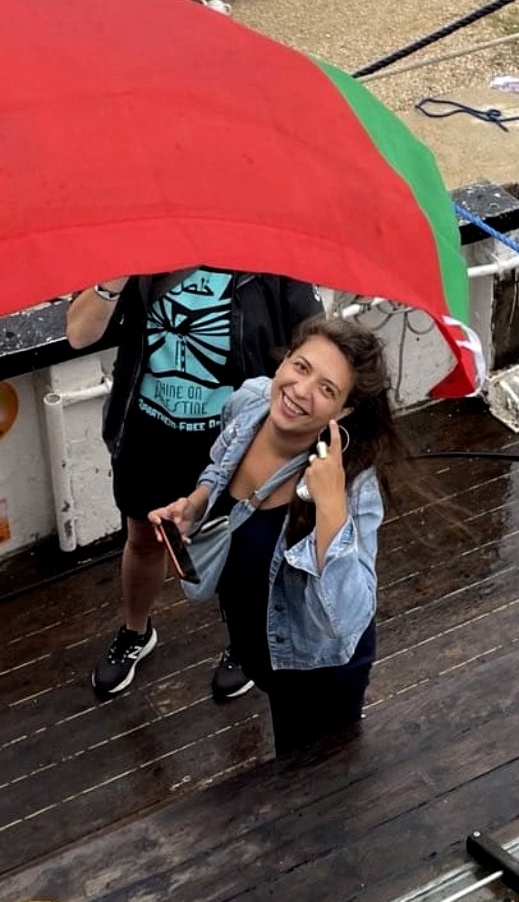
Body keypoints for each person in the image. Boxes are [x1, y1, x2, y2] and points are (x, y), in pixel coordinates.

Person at [148, 315, 398, 756]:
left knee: (305, 781)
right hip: (253, 640)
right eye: (301, 368)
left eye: (327, 389)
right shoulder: (248, 402)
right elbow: (221, 464)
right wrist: (199, 501)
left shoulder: (354, 486)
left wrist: (332, 509)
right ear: (284, 362)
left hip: (314, 671)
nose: (301, 391)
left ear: (342, 412)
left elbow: (349, 621)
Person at [67, 269, 321, 699]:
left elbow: (312, 344)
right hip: (148, 435)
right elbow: (79, 334)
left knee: (237, 549)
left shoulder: (268, 260)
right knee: (144, 539)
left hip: (234, 440)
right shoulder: (142, 250)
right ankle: (135, 631)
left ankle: (244, 642)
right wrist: (117, 273)